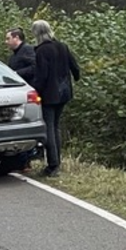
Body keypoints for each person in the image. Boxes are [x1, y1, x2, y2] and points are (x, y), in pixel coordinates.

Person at [29, 20, 80, 178]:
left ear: (37, 33)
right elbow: (75, 68)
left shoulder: (42, 51)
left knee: (49, 127)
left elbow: (42, 76)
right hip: (64, 92)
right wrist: (73, 79)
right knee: (56, 126)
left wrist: (34, 90)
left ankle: (53, 165)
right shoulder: (62, 46)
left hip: (49, 94)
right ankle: (57, 161)